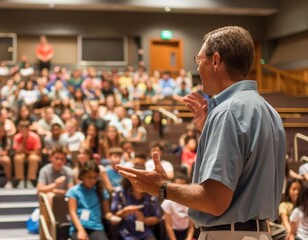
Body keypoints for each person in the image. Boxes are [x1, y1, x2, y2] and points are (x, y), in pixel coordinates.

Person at [117, 26, 286, 240]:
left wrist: (162, 188)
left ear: (215, 60)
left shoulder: (228, 112)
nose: (197, 69)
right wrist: (208, 130)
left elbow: (214, 201)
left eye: (199, 60)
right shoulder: (269, 111)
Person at [66, 161, 115, 240]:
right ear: (82, 176)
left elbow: (106, 213)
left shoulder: (101, 191)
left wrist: (111, 218)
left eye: (95, 177)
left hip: (97, 228)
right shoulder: (74, 191)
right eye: (89, 177)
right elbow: (72, 213)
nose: (92, 181)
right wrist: (80, 230)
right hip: (79, 227)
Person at [111, 172, 161, 240]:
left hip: (145, 232)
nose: (139, 183)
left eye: (142, 180)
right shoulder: (120, 192)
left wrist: (144, 220)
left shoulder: (151, 194)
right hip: (126, 232)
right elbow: (113, 218)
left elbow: (157, 218)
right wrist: (124, 212)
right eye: (136, 180)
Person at [161, 173, 195, 240]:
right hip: (172, 233)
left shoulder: (191, 202)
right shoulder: (168, 202)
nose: (179, 189)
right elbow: (168, 225)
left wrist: (188, 238)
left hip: (186, 232)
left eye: (182, 186)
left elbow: (191, 227)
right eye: (177, 186)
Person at [13, 121, 42, 188]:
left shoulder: (35, 137)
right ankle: (21, 181)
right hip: (22, 154)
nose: (22, 130)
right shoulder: (17, 137)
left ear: (28, 129)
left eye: (24, 128)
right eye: (21, 128)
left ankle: (30, 181)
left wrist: (27, 152)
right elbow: (17, 152)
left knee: (33, 158)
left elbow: (37, 152)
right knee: (17, 158)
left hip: (32, 154)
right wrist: (23, 141)